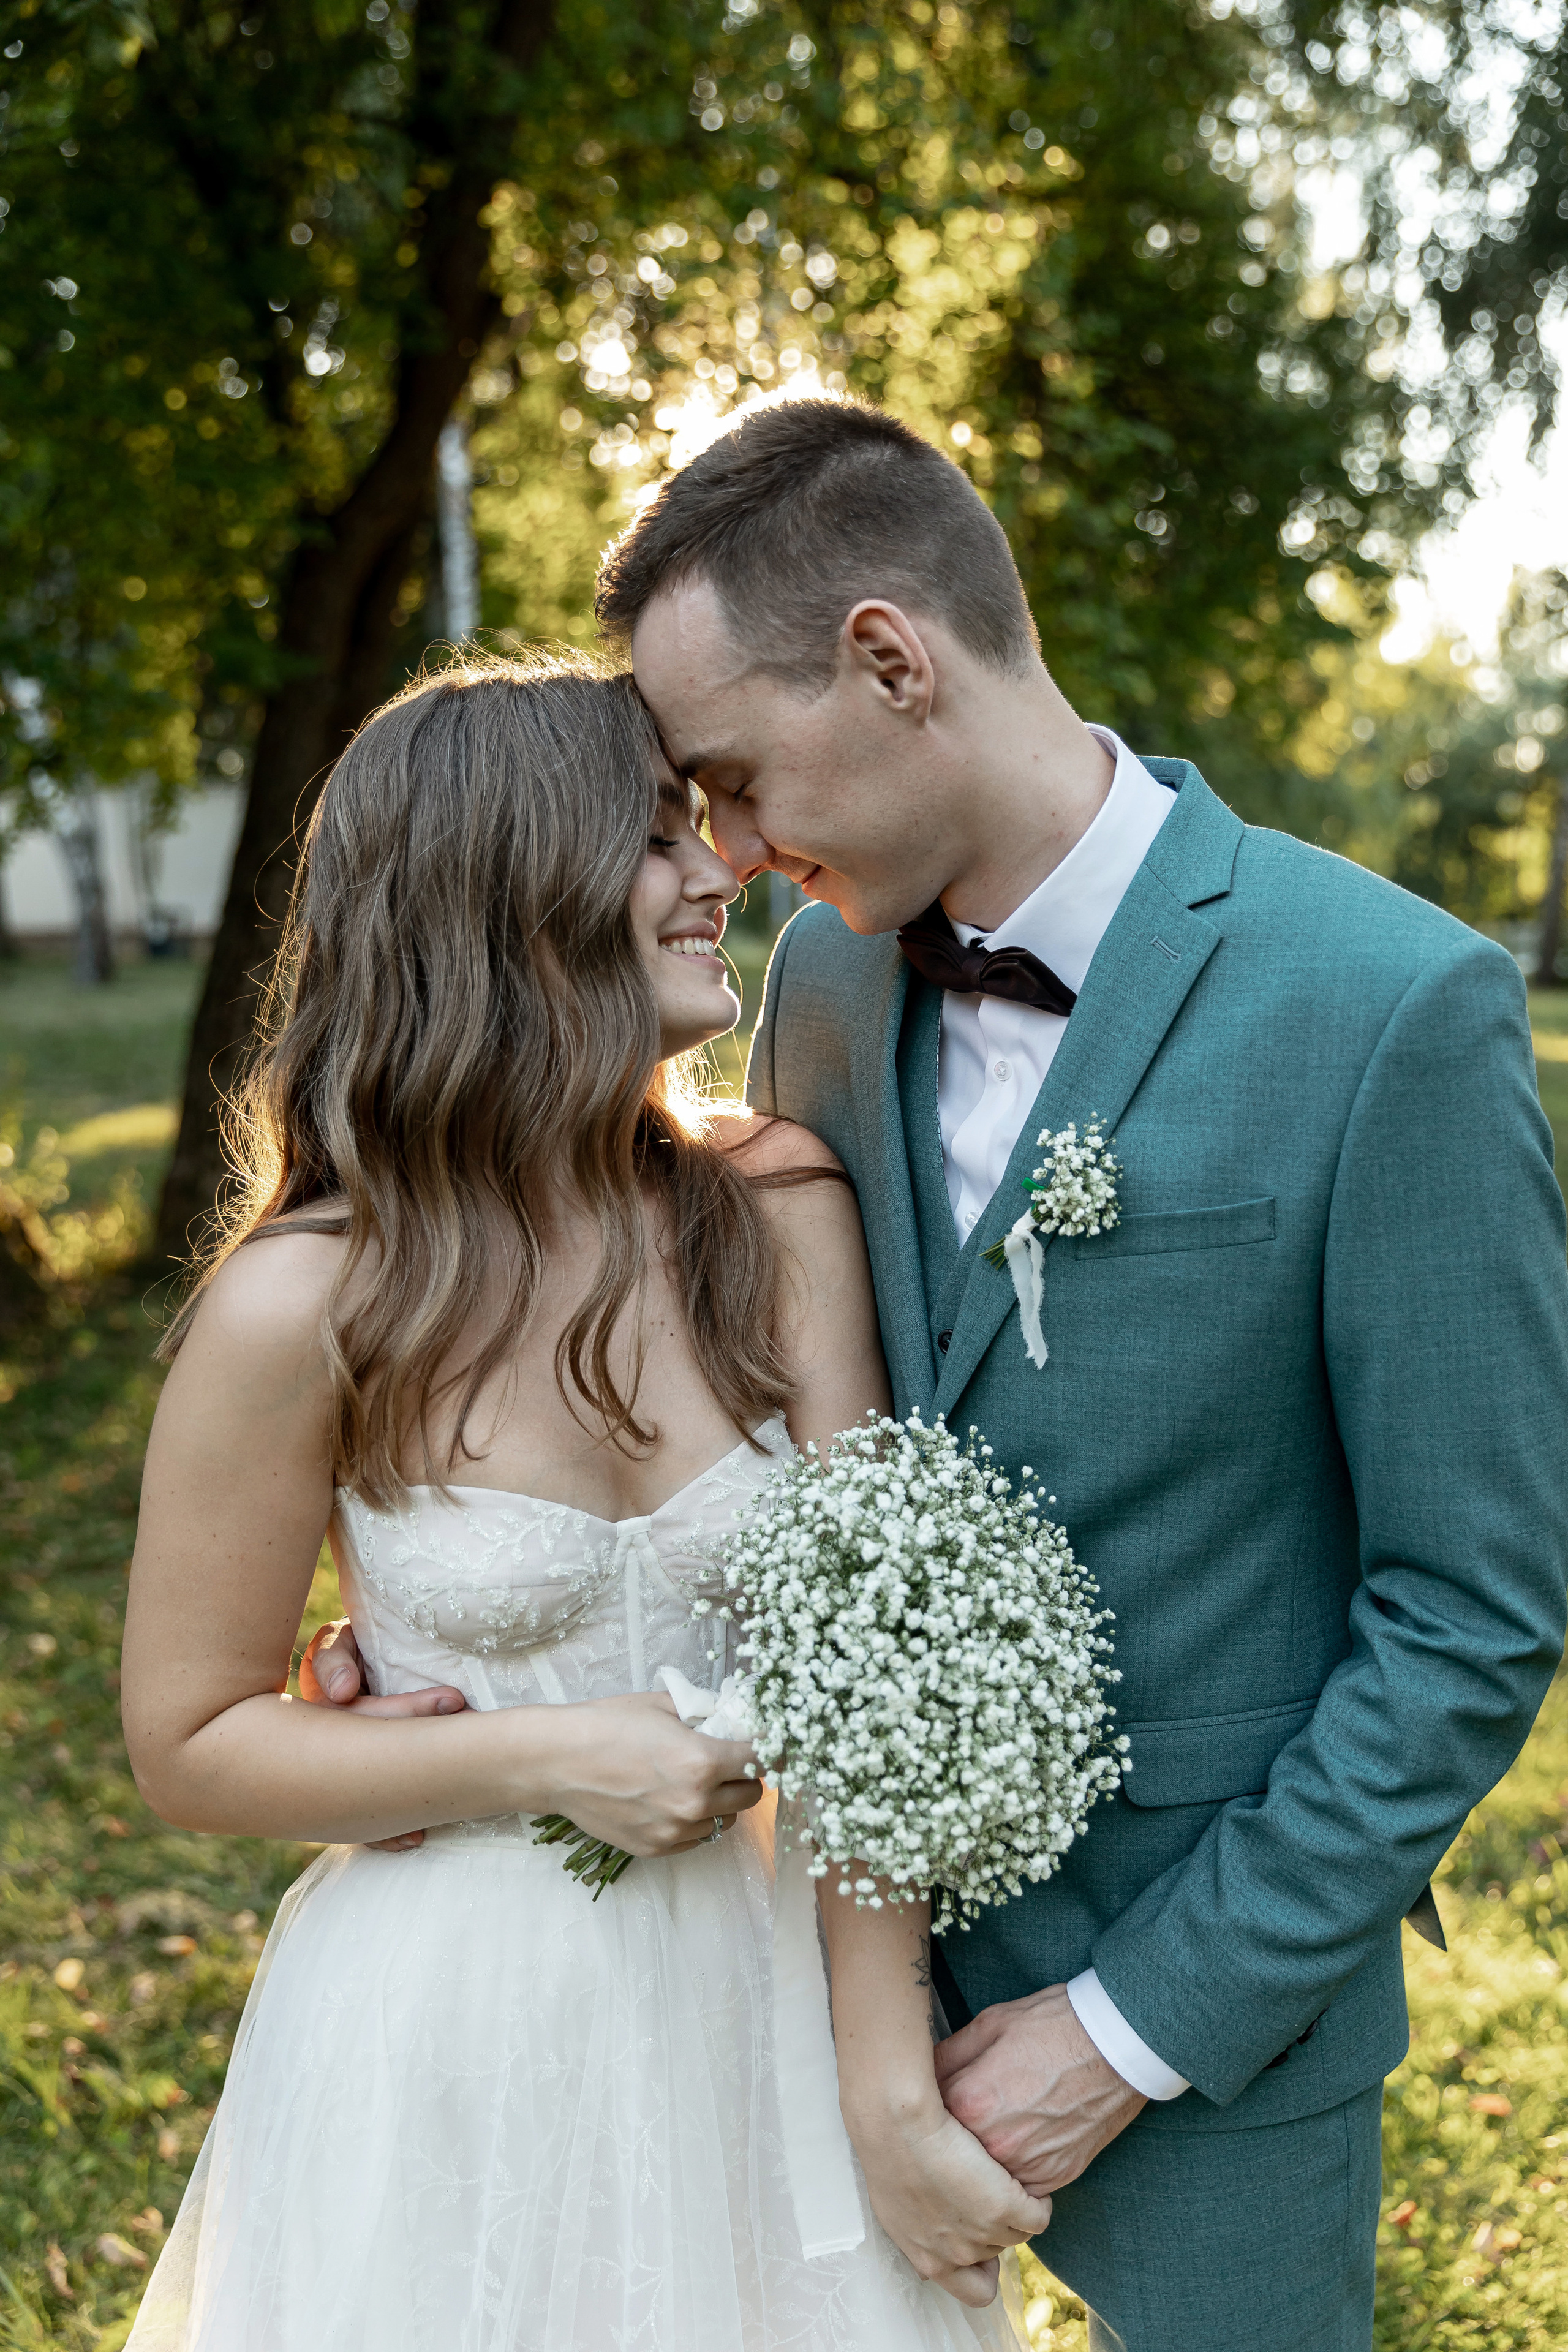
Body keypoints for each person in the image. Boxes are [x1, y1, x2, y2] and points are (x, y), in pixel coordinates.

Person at [119, 652, 1046, 2352]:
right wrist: (545, 1755)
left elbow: (865, 1680)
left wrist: (884, 2081)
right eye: (656, 840)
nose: (719, 877)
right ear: (504, 900)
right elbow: (189, 1736)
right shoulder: (305, 1303)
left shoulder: (775, 1210)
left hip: (766, 2011)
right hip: (454, 2029)